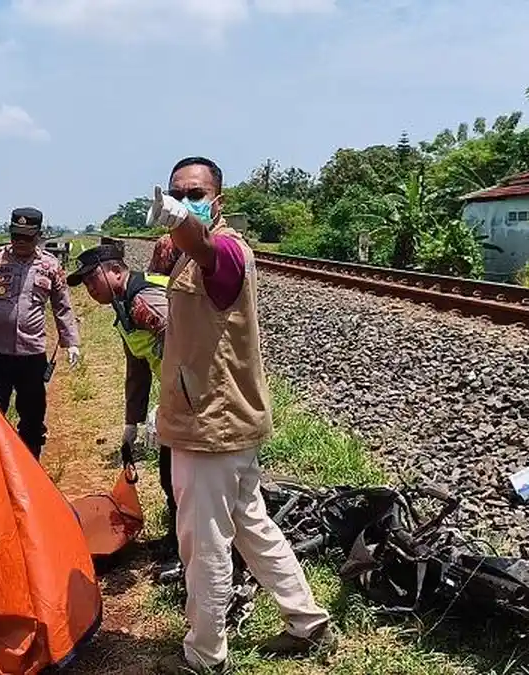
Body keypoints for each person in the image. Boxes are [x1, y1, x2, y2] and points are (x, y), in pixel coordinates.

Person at [147, 157, 334, 674]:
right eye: (177, 193)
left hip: (211, 424)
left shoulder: (224, 249)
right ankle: (307, 620)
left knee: (203, 542)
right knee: (251, 524)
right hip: (216, 418)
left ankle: (205, 654)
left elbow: (205, 247)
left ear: (218, 200)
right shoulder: (192, 253)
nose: (186, 201)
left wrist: (179, 221)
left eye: (195, 193)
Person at [65, 243, 182, 582]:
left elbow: (187, 346)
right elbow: (139, 369)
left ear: (115, 271)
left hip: (198, 398)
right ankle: (176, 539)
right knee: (169, 474)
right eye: (84, 285)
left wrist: (169, 404)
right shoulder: (125, 308)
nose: (89, 290)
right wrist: (132, 423)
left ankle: (186, 555)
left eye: (92, 281)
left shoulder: (144, 301)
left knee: (182, 480)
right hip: (181, 398)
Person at [0, 207, 80, 460]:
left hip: (32, 353)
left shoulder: (50, 266)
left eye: (27, 237)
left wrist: (71, 342)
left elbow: (62, 306)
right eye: (15, 236)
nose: (20, 242)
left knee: (32, 414)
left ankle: (31, 464)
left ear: (38, 236)